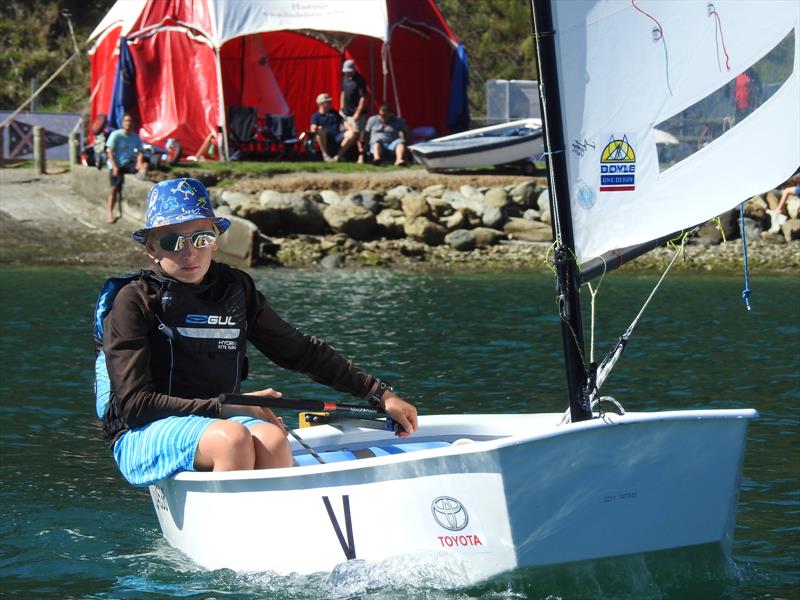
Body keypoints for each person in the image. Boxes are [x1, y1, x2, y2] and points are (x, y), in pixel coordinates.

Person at [94, 178, 418, 487]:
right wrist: (231, 406)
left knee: (274, 439)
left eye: (201, 238)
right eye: (172, 241)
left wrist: (381, 393)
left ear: (216, 240)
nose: (189, 252)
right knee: (231, 440)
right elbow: (134, 406)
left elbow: (300, 351)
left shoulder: (235, 289)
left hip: (219, 419)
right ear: (151, 248)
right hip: (142, 431)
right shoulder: (133, 300)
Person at [106, 112, 148, 224]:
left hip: (128, 163)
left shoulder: (135, 136)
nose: (128, 123)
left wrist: (139, 163)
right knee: (114, 188)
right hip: (116, 164)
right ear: (122, 123)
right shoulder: (116, 134)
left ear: (133, 124)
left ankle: (140, 180)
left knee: (145, 166)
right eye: (126, 121)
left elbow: (140, 152)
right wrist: (114, 167)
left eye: (130, 121)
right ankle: (109, 212)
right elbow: (109, 152)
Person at [310, 92, 357, 162]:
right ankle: (325, 156)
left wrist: (352, 130)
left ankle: (338, 156)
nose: (330, 103)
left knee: (351, 133)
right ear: (321, 104)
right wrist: (317, 128)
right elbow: (313, 128)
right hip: (325, 138)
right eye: (327, 102)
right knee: (320, 131)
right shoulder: (316, 116)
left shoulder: (334, 113)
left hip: (337, 136)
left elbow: (344, 122)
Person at [339, 59, 368, 164]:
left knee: (360, 135)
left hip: (357, 115)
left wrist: (358, 113)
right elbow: (343, 93)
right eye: (346, 71)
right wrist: (341, 107)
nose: (347, 73)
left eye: (349, 71)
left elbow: (363, 98)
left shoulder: (359, 80)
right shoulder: (345, 79)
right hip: (346, 114)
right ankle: (344, 156)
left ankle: (361, 157)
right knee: (348, 134)